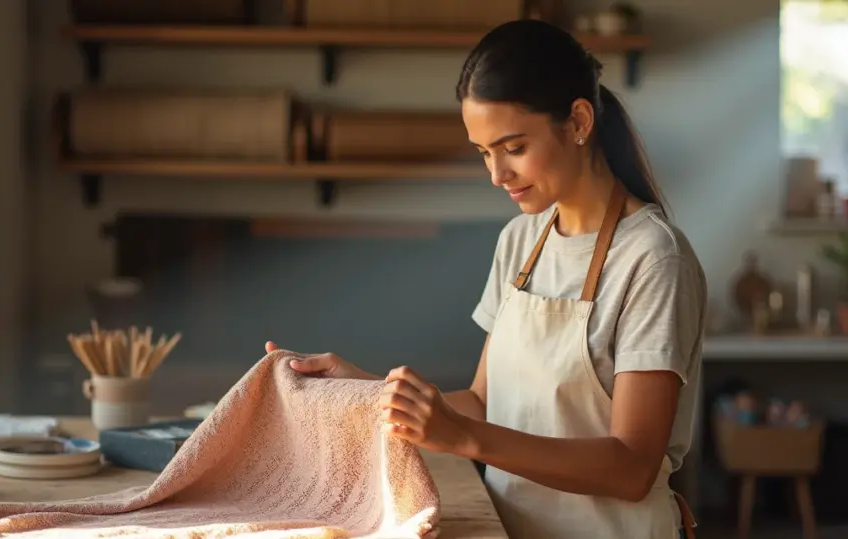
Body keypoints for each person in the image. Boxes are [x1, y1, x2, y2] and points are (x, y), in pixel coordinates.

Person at [264, 18, 707, 539]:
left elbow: (630, 467)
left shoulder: (653, 259)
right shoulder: (522, 240)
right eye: (484, 153)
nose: (497, 175)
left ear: (579, 121)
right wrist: (366, 392)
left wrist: (467, 439)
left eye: (514, 148)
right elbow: (482, 402)